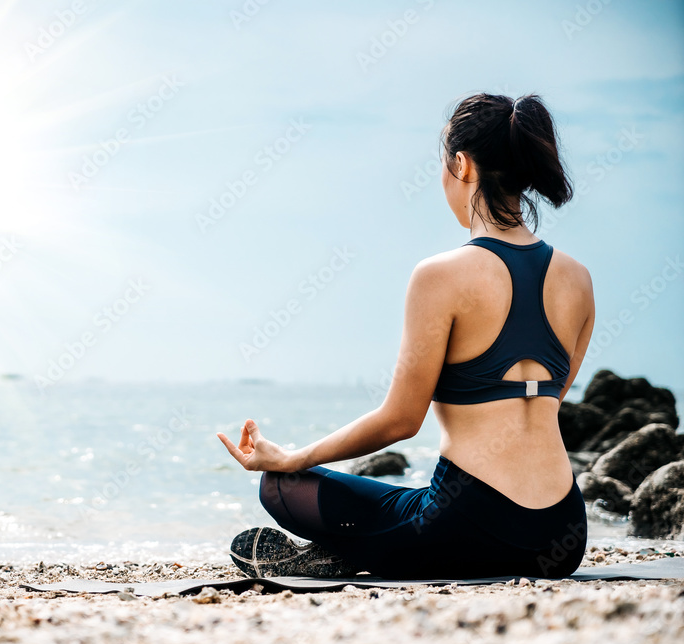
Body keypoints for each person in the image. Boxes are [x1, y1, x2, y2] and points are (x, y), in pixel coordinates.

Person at [217, 93, 594, 580]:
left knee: (282, 488)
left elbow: (400, 421)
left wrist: (293, 456)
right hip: (563, 533)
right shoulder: (578, 279)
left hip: (467, 525)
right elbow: (552, 401)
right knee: (403, 503)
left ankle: (350, 553)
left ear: (461, 165)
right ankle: (369, 548)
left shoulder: (440, 275)